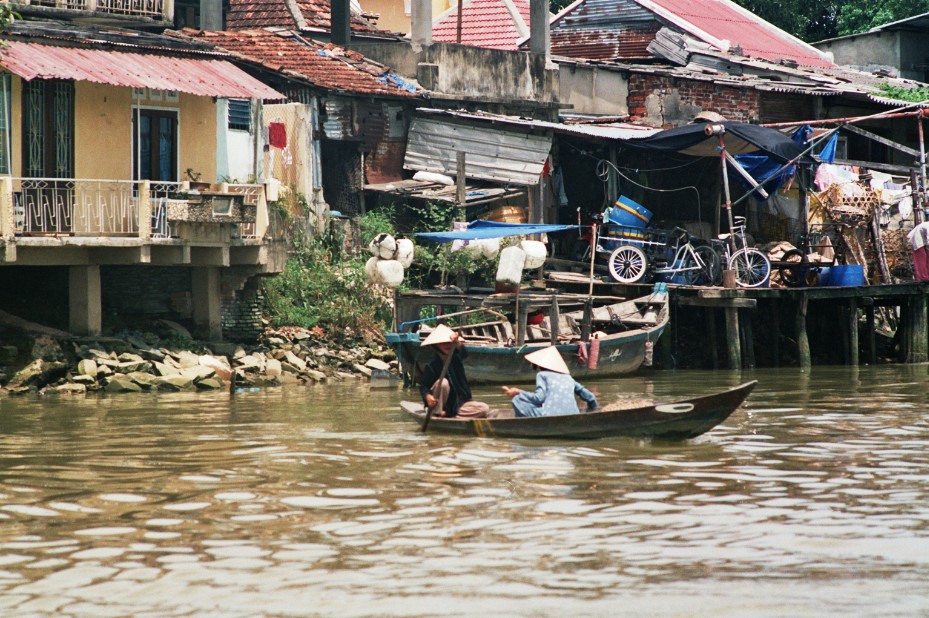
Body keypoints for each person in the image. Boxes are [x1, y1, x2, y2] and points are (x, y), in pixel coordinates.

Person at [501, 346, 599, 417]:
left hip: (549, 414)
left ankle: (525, 425)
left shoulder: (542, 375)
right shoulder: (568, 378)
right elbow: (591, 397)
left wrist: (518, 392)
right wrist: (593, 410)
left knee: (517, 399)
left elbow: (539, 398)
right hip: (573, 414)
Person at [419, 324, 490, 419]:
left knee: (484, 409)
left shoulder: (456, 359)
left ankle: (450, 414)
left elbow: (464, 353)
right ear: (436, 346)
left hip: (458, 404)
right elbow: (423, 386)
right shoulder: (432, 365)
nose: (447, 345)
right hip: (440, 405)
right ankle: (437, 413)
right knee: (443, 382)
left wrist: (457, 342)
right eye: (443, 343)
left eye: (449, 342)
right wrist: (428, 397)